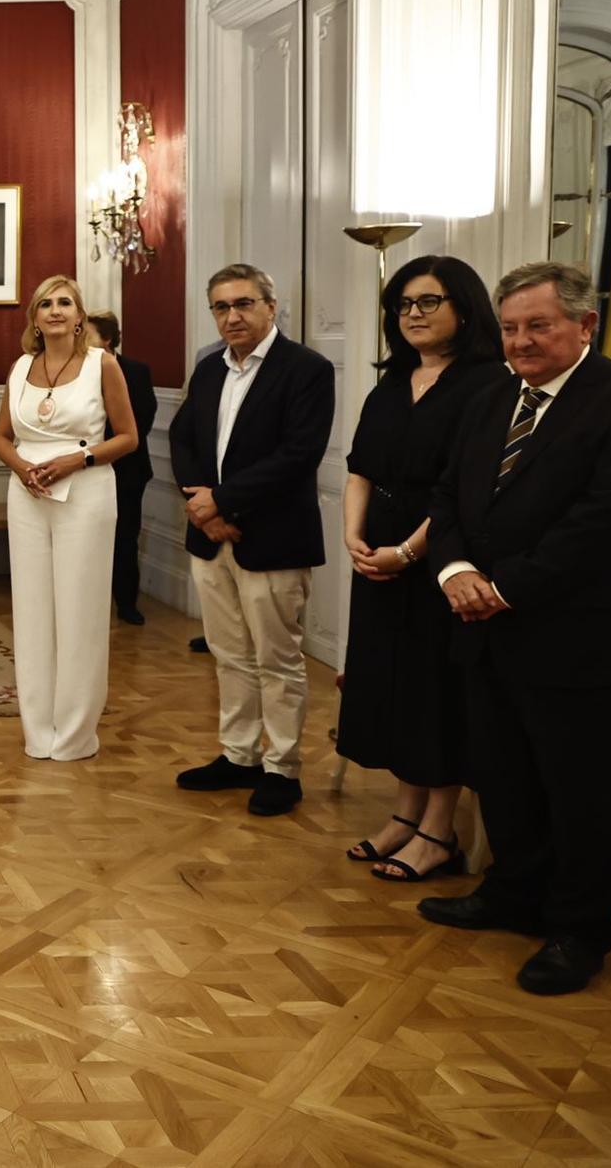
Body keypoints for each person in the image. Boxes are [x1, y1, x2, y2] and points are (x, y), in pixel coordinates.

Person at [419, 261, 611, 997]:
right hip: (484, 631)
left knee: (584, 793)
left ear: (584, 325)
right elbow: (446, 497)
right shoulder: (489, 399)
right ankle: (514, 892)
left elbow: (604, 524)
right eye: (510, 328)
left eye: (538, 326)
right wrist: (454, 573)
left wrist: (504, 587)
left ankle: (579, 930)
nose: (521, 342)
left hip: (579, 640)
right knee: (504, 776)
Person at [336, 257, 506, 882]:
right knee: (393, 687)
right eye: (403, 304)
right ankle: (404, 817)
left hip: (440, 559)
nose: (412, 314)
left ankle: (440, 831)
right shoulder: (393, 381)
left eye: (428, 302)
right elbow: (360, 467)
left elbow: (465, 488)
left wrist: (408, 552)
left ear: (464, 307)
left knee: (436, 692)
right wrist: (354, 536)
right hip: (376, 554)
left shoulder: (488, 383)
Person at [168, 263, 334, 817]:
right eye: (221, 307)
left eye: (243, 304)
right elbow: (184, 437)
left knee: (278, 658)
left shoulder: (306, 369)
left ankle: (282, 768)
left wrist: (223, 501)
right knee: (229, 654)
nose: (232, 316)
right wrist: (203, 507)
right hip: (212, 537)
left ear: (270, 305)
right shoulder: (210, 368)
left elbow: (298, 454)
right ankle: (238, 755)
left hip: (273, 538)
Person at [0, 276, 139, 761]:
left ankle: (75, 735)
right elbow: (1, 438)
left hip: (87, 493)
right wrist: (24, 470)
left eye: (65, 303)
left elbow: (128, 438)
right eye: (45, 304)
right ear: (34, 317)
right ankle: (38, 732)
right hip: (27, 495)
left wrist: (76, 461)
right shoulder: (20, 367)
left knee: (80, 612)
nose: (55, 310)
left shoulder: (103, 365)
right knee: (31, 614)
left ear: (80, 317)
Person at [85, 311, 157, 623]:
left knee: (125, 539)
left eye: (86, 336)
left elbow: (140, 423)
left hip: (127, 470)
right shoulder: (76, 371)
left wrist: (104, 452)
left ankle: (127, 604)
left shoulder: (136, 372)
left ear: (108, 339)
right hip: (82, 471)